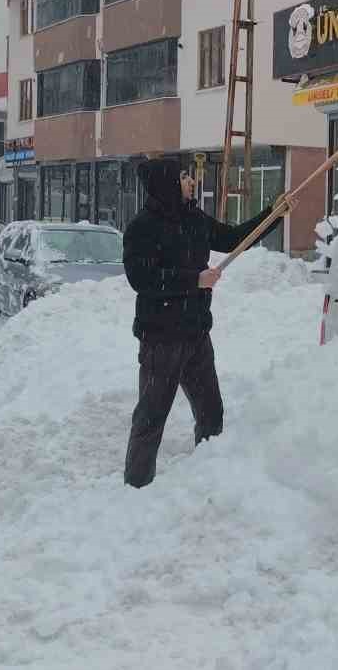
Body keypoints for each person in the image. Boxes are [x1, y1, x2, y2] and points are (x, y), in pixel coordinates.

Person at [120, 159, 288, 489]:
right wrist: (194, 280)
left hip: (196, 334)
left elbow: (233, 238)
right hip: (162, 339)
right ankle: (136, 487)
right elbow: (141, 278)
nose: (192, 182)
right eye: (184, 176)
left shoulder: (193, 218)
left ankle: (208, 480)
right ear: (168, 182)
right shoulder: (143, 227)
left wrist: (275, 213)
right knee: (151, 417)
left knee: (212, 413)